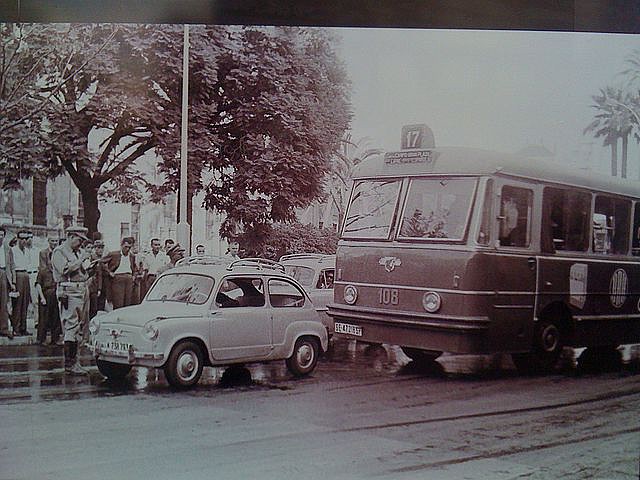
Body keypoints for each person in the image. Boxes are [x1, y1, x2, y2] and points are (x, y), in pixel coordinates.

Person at [51, 226, 91, 375]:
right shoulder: (60, 251)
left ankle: (75, 361)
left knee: (78, 326)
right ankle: (70, 363)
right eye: (79, 240)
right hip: (69, 291)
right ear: (70, 236)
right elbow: (64, 270)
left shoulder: (77, 252)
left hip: (81, 289)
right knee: (71, 326)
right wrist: (81, 260)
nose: (80, 243)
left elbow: (82, 272)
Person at [35, 236, 61, 345]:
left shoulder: (57, 273)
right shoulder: (43, 271)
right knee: (44, 317)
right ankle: (42, 339)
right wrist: (42, 297)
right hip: (46, 294)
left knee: (56, 316)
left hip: (56, 292)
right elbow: (38, 284)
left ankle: (55, 338)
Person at [103, 237, 138, 310]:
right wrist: (109, 272)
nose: (127, 249)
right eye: (126, 247)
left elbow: (134, 267)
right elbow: (101, 262)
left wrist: (134, 276)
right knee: (118, 302)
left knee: (128, 302)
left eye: (129, 247)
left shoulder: (132, 256)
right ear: (121, 245)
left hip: (129, 279)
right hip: (118, 279)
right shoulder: (114, 254)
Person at [9, 230, 33, 336]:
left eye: (26, 239)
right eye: (22, 239)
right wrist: (13, 282)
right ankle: (16, 328)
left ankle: (23, 327)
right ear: (18, 239)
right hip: (18, 275)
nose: (24, 241)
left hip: (26, 275)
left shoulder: (27, 251)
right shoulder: (13, 250)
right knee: (17, 303)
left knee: (25, 302)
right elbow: (11, 266)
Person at [0, 228, 15, 339]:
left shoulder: (7, 249)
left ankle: (4, 328)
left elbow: (11, 265)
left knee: (4, 302)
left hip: (4, 273)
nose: (0, 237)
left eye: (2, 235)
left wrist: (13, 281)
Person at [87, 240, 105, 321]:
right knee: (93, 308)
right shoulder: (92, 259)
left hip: (100, 287)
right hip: (93, 287)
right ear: (94, 249)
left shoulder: (102, 259)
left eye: (102, 248)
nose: (100, 250)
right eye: (98, 248)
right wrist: (98, 289)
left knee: (100, 308)